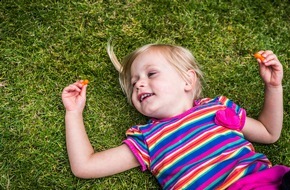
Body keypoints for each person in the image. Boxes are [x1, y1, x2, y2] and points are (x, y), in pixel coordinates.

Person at [62, 43, 289, 189]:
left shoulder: (216, 108)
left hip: (262, 183)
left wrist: (273, 87)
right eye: (133, 84)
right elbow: (85, 166)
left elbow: (269, 132)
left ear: (187, 80)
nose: (139, 84)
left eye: (151, 74)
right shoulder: (147, 139)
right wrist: (73, 112)